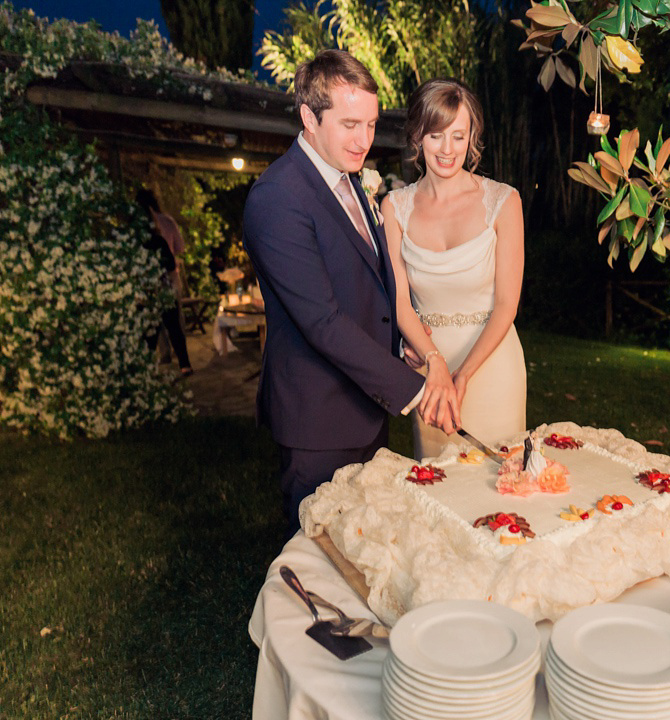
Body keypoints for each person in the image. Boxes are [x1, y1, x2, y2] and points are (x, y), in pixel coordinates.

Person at [242, 51, 460, 537]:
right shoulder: (277, 197)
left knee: (364, 550)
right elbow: (321, 321)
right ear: (308, 118)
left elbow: (368, 283)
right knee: (320, 561)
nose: (364, 140)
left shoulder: (349, 180)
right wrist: (417, 390)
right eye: (349, 124)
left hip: (364, 406)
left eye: (371, 124)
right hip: (318, 420)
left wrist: (396, 348)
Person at [382, 78, 526, 460]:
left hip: (493, 365)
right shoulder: (394, 208)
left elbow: (508, 305)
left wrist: (462, 375)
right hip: (430, 372)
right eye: (436, 136)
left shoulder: (504, 201)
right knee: (438, 488)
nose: (447, 150)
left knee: (502, 488)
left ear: (472, 137)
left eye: (458, 136)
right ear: (417, 137)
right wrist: (435, 363)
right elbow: (399, 303)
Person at [135, 188, 193, 379]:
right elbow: (176, 252)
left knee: (151, 328)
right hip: (165, 282)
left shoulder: (134, 241)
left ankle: (160, 358)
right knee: (174, 323)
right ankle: (183, 363)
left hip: (144, 289)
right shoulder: (164, 226)